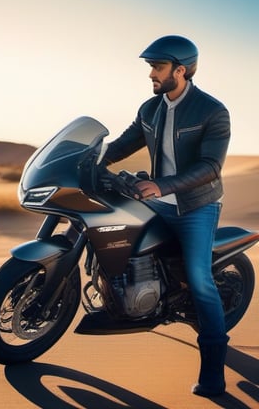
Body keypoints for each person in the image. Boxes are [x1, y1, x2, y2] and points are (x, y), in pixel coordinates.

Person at [104, 35, 231, 397]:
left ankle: (213, 376)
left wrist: (163, 186)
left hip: (196, 206)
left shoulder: (211, 111)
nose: (151, 75)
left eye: (157, 68)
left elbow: (210, 167)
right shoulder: (151, 109)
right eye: (150, 68)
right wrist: (91, 160)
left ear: (181, 70)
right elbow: (123, 145)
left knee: (200, 279)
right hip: (159, 200)